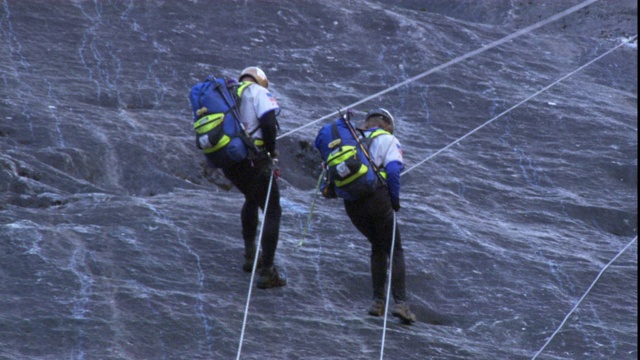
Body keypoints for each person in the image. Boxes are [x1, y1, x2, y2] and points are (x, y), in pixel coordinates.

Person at [315, 108, 416, 324]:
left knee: (377, 246)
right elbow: (394, 171)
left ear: (367, 123)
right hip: (377, 198)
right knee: (394, 249)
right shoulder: (389, 139)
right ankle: (401, 304)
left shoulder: (352, 138)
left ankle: (377, 303)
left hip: (353, 206)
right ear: (387, 125)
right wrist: (395, 201)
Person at [222, 66, 285, 289]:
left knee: (251, 197)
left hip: (230, 161)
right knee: (272, 210)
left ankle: (250, 255)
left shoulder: (229, 92)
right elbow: (268, 123)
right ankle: (267, 270)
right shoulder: (258, 92)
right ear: (261, 80)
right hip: (254, 159)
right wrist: (270, 150)